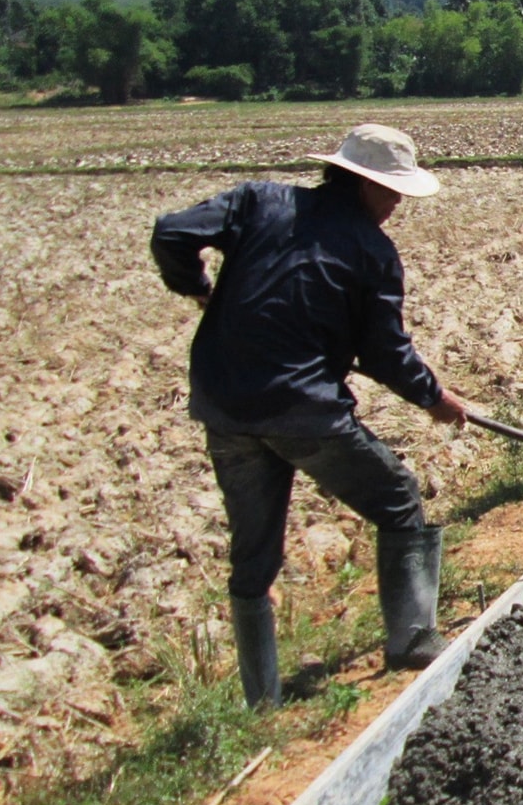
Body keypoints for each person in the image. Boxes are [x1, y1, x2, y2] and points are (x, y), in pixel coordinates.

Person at [151, 124, 468, 710]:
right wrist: (434, 399)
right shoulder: (372, 252)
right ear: (363, 183)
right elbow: (383, 352)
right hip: (304, 411)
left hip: (224, 405)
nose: (397, 204)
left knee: (253, 556)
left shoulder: (258, 203)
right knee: (398, 497)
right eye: (392, 191)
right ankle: (413, 638)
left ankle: (261, 701)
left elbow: (172, 232)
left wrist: (197, 288)